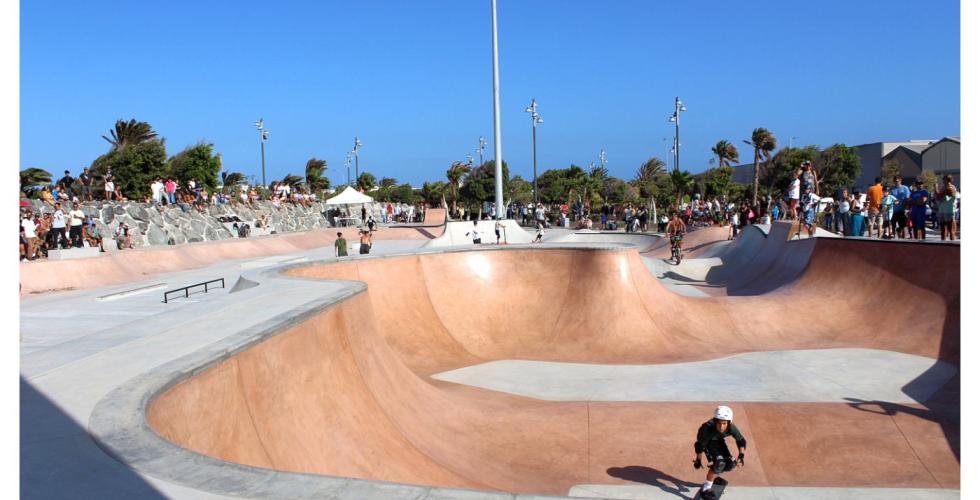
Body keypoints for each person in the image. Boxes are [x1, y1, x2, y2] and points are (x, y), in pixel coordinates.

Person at [693, 405, 747, 500]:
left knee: (730, 464)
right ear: (714, 421)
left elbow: (741, 441)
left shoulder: (731, 427)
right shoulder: (707, 430)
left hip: (719, 440)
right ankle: (706, 489)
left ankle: (714, 478)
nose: (721, 427)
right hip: (707, 442)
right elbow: (700, 446)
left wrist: (741, 455)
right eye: (719, 423)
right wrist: (698, 460)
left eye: (724, 423)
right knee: (719, 464)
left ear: (729, 422)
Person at [934, 175, 958, 241]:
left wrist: (935, 188)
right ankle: (943, 245)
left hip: (949, 211)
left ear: (948, 180)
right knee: (943, 229)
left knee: (951, 230)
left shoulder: (950, 188)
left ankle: (952, 246)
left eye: (944, 179)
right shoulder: (943, 187)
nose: (943, 181)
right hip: (942, 210)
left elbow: (938, 196)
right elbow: (937, 197)